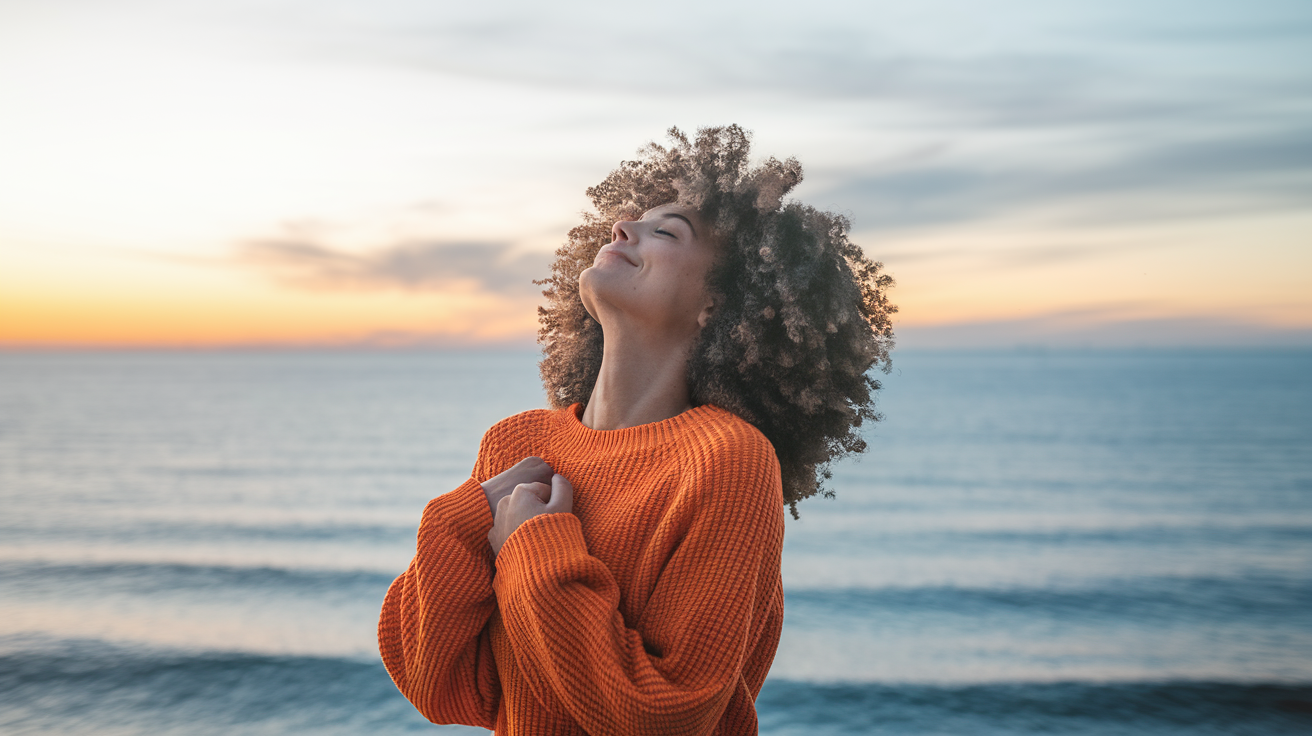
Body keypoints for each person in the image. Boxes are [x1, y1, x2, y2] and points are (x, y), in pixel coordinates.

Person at [377, 125, 896, 735]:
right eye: (631, 220)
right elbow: (444, 686)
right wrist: (459, 520)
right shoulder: (516, 445)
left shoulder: (727, 460)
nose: (623, 229)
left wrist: (533, 548)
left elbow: (665, 716)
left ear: (718, 307)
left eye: (667, 231)